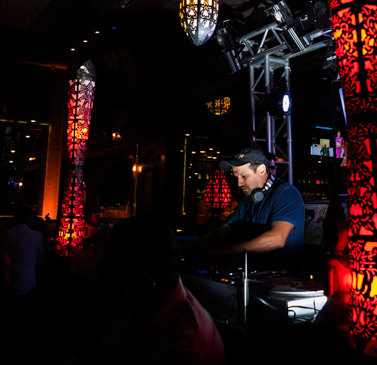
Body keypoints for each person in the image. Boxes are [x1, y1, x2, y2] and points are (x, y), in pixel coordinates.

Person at [80, 216, 225, 365]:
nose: (102, 272)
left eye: (114, 266)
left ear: (146, 277)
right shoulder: (151, 303)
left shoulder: (181, 345)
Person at [202, 147, 305, 276]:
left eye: (244, 176)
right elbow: (225, 230)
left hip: (284, 281)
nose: (239, 183)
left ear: (262, 169)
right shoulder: (247, 200)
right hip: (252, 277)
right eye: (236, 177)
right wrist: (193, 247)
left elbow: (277, 239)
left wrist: (226, 252)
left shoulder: (286, 193)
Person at [3, 206, 45, 297]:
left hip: (5, 286)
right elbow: (40, 260)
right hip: (26, 288)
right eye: (34, 218)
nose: (35, 221)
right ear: (27, 218)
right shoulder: (36, 236)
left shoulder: (6, 233)